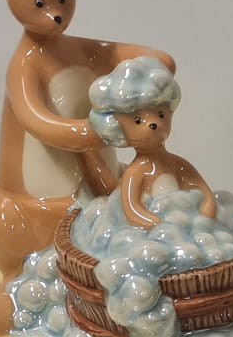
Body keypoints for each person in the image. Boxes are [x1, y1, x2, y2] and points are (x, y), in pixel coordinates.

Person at [89, 58, 219, 229]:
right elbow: (132, 212)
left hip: (185, 225)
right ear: (118, 127)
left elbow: (204, 192)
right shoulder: (135, 173)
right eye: (137, 120)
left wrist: (207, 214)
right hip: (161, 230)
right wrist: (158, 225)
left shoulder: (178, 165)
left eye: (161, 114)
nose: (153, 124)